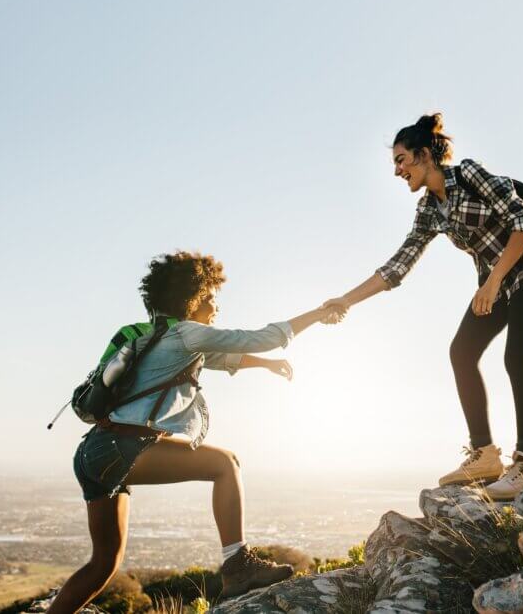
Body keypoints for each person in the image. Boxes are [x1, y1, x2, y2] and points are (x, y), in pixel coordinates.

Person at [49, 251, 343, 614]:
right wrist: (317, 313)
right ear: (194, 297)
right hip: (124, 448)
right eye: (212, 296)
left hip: (93, 454)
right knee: (225, 464)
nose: (217, 305)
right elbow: (260, 337)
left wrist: (266, 365)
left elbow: (225, 358)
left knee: (103, 563)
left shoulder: (156, 338)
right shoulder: (187, 334)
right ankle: (237, 565)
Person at [323, 113, 523, 500]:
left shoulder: (470, 174)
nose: (398, 170)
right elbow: (397, 267)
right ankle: (484, 454)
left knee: (516, 357)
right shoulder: (429, 211)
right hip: (495, 283)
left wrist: (493, 280)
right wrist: (345, 301)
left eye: (401, 160)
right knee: (461, 351)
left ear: (424, 155)